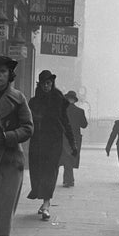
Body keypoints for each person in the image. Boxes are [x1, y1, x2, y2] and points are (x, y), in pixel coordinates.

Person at [27, 70, 77, 220]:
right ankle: (43, 199)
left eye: (49, 83)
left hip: (54, 142)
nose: (46, 86)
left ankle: (46, 204)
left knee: (50, 171)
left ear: (52, 83)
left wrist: (72, 143)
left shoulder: (58, 99)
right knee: (37, 171)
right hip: (37, 141)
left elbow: (65, 122)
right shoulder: (34, 102)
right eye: (44, 83)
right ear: (40, 84)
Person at [0, 56, 33, 236]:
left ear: (9, 74)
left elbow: (28, 127)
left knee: (2, 213)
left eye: (2, 71)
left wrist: (7, 136)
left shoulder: (18, 98)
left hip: (9, 161)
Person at [59, 90, 88, 188]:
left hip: (64, 137)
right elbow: (84, 125)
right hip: (75, 138)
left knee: (66, 157)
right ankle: (69, 180)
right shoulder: (80, 111)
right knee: (70, 157)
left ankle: (68, 180)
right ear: (74, 100)